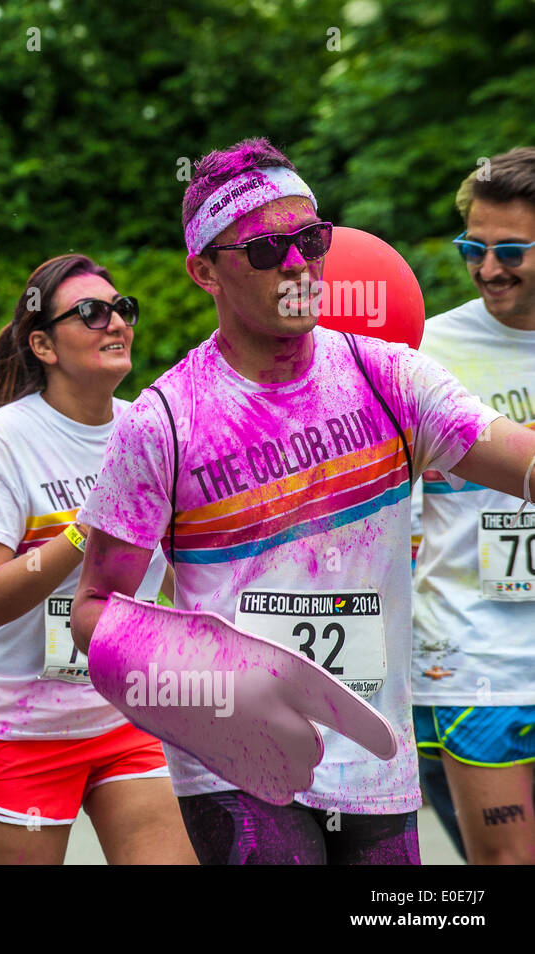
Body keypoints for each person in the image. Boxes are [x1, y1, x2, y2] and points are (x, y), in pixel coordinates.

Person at [70, 137, 535, 865]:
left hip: (374, 757)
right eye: (264, 251)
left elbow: (521, 459)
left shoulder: (392, 379)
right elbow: (95, 609)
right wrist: (216, 692)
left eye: (310, 241)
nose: (296, 266)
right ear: (204, 271)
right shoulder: (163, 421)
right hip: (235, 765)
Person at [0, 254, 195, 864]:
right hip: (17, 728)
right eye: (90, 312)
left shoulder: (151, 425)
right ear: (43, 344)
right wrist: (87, 531)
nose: (115, 322)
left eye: (122, 309)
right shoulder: (2, 437)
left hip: (128, 711)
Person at [411, 146, 535, 865]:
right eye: (474, 249)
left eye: (512, 250)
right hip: (473, 655)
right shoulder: (429, 349)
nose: (489, 269)